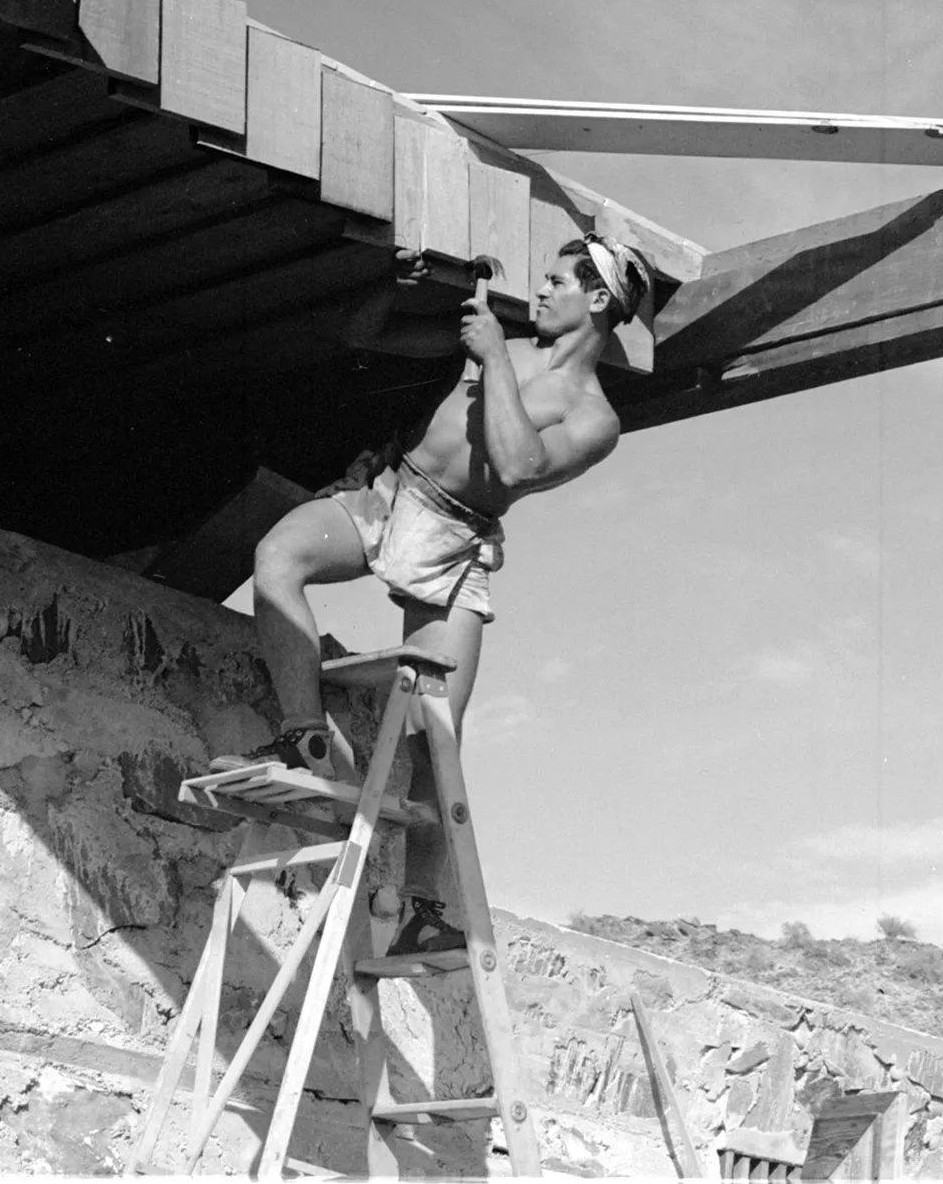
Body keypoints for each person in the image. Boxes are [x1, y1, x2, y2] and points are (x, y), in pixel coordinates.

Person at [210, 233, 652, 955]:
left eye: (556, 280)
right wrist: (397, 283)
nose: (539, 291)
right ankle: (304, 737)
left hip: (459, 541)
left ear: (597, 298)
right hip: (395, 495)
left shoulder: (594, 416)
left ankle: (421, 911)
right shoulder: (496, 340)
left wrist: (493, 360)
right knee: (278, 555)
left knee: (435, 733)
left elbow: (516, 462)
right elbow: (360, 330)